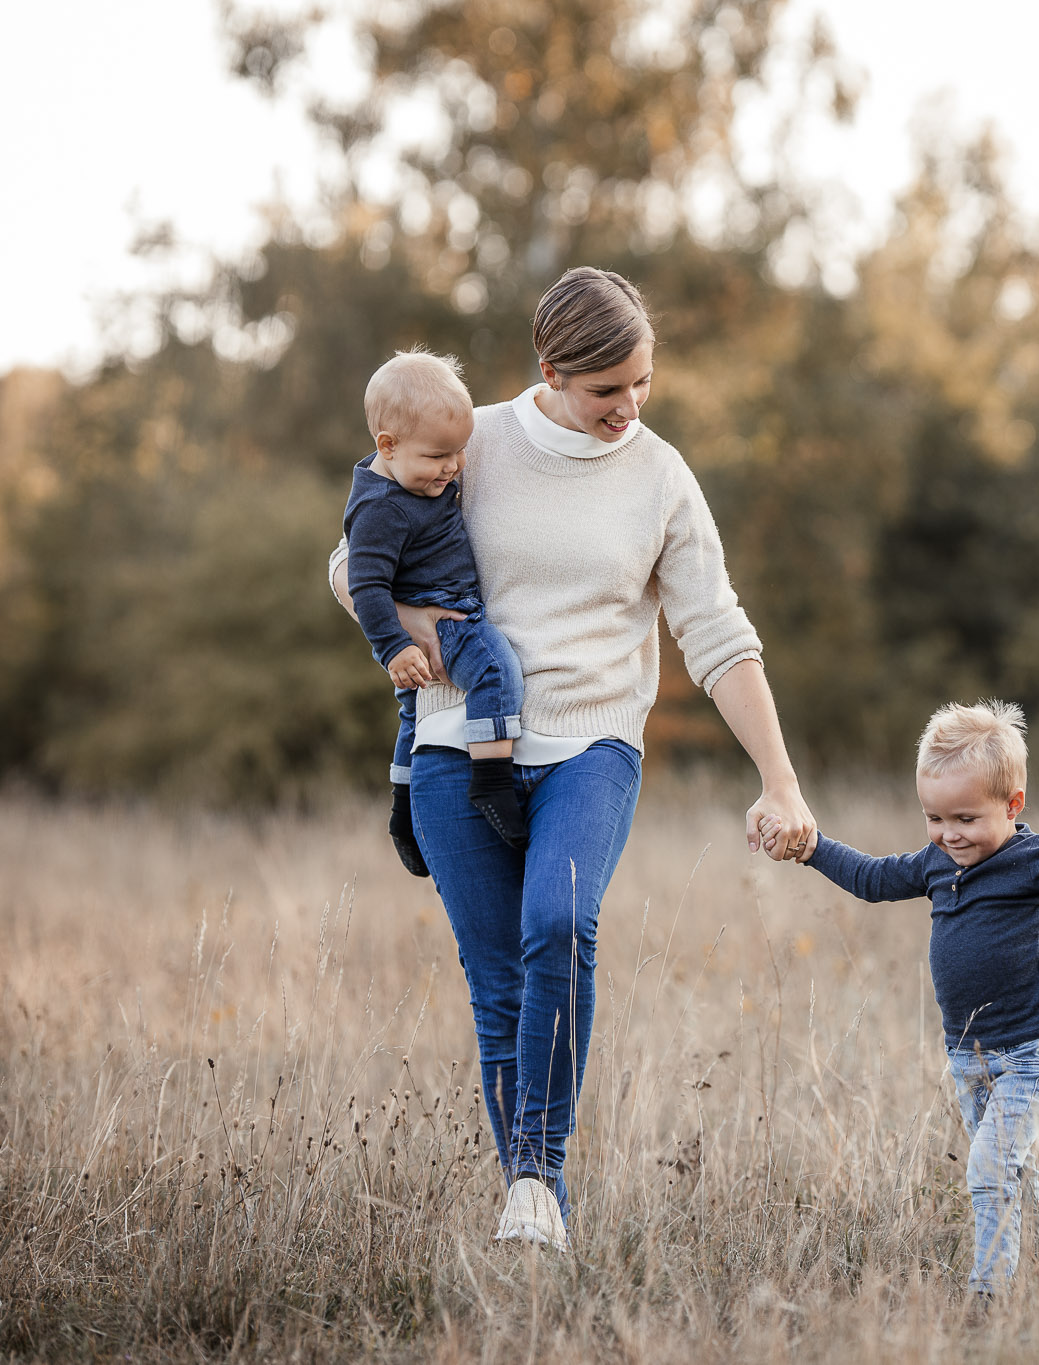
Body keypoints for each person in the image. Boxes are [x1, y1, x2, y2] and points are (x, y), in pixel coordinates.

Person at [331, 267, 816, 1250]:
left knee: (559, 922)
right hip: (455, 746)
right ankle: (530, 1193)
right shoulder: (476, 439)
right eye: (607, 390)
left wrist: (780, 778)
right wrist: (444, 639)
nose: (628, 408)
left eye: (643, 384)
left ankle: (539, 1170)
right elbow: (352, 565)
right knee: (497, 976)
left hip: (591, 746)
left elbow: (716, 632)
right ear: (550, 370)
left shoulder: (660, 477)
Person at [770, 701, 1039, 1298]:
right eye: (935, 818)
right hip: (968, 1057)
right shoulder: (936, 862)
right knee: (1009, 1174)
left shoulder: (1035, 860)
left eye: (966, 819)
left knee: (990, 1168)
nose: (950, 835)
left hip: (1032, 1054)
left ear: (1012, 805)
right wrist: (813, 847)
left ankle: (988, 1296)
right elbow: (872, 880)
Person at [343, 348, 528, 871]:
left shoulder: (415, 475)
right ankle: (491, 784)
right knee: (495, 671)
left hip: (445, 610)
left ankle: (403, 810)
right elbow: (368, 584)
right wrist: (395, 646)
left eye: (459, 452)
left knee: (412, 719)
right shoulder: (380, 509)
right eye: (438, 456)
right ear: (388, 445)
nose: (452, 468)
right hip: (446, 619)